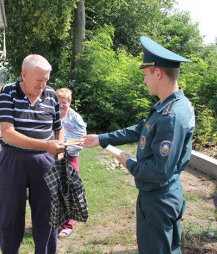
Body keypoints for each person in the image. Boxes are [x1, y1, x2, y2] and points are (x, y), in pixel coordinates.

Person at [82, 36, 195, 254]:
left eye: (146, 75)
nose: (144, 81)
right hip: (166, 194)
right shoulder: (171, 106)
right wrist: (102, 139)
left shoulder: (171, 116)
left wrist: (129, 162)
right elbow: (141, 128)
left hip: (158, 200)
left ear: (158, 73)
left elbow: (159, 170)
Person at [0, 54, 65, 253]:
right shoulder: (8, 92)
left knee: (47, 216)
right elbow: (8, 133)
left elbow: (59, 127)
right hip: (12, 160)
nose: (43, 85)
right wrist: (45, 145)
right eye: (39, 79)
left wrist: (58, 154)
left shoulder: (51, 95)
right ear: (24, 74)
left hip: (45, 161)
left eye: (46, 79)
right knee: (10, 217)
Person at [56, 87, 87, 237]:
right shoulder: (51, 115)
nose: (61, 105)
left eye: (64, 102)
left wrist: (68, 148)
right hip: (52, 155)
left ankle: (67, 225)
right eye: (59, 102)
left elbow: (82, 138)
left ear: (69, 102)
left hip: (69, 156)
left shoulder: (75, 117)